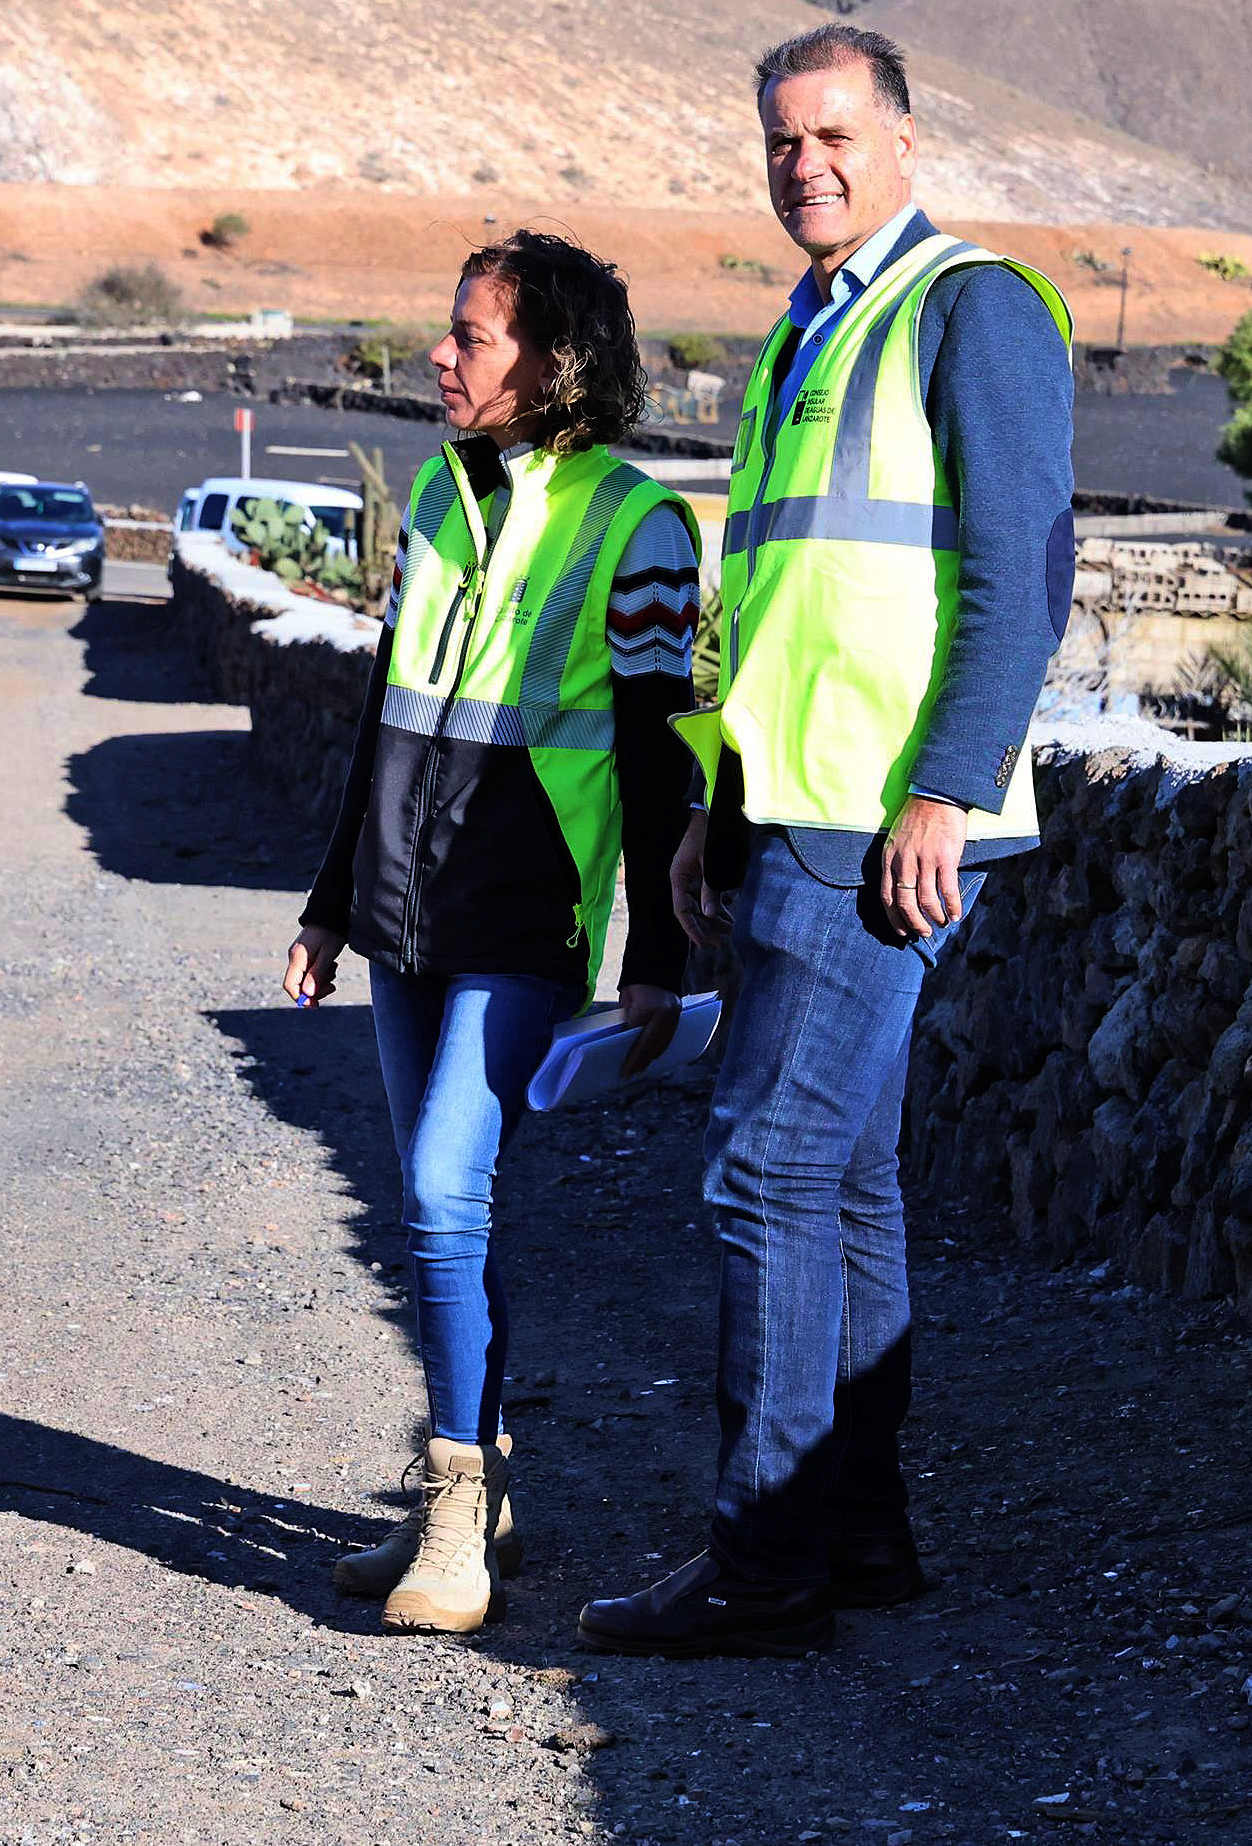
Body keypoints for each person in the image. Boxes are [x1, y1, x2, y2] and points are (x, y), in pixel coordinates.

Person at [581, 24, 1075, 1657]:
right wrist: (720, 812)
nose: (810, 162)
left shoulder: (968, 309)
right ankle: (855, 1535)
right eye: (785, 139)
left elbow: (1027, 571)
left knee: (765, 1166)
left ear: (908, 142)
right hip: (795, 807)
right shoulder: (812, 326)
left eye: (839, 133)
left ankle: (765, 1554)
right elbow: (788, 603)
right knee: (845, 1175)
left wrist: (945, 783)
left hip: (883, 820)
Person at [287, 230, 706, 1634]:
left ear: (558, 362)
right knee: (442, 1217)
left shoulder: (637, 522)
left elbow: (658, 755)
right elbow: (388, 711)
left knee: (440, 1193)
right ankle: (483, 1498)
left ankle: (456, 1509)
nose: (442, 355)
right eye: (449, 330)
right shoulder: (435, 491)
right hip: (406, 912)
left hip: (532, 920)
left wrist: (658, 957)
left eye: (472, 335)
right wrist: (332, 902)